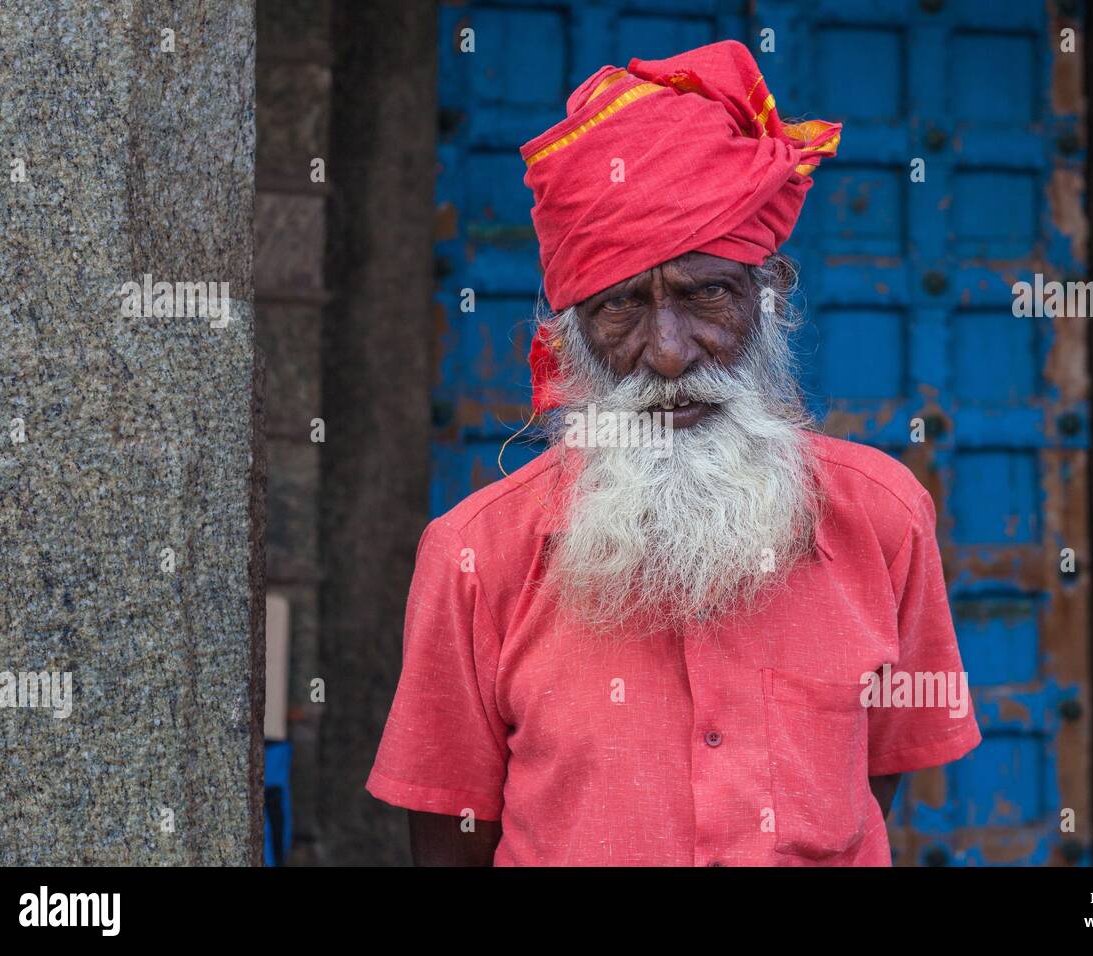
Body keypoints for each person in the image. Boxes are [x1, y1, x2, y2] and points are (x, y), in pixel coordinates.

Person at [367, 39, 980, 866]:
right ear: (570, 338)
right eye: (622, 306)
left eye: (707, 296)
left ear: (768, 306)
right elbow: (449, 835)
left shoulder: (884, 517)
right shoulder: (475, 555)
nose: (667, 352)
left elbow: (873, 779)